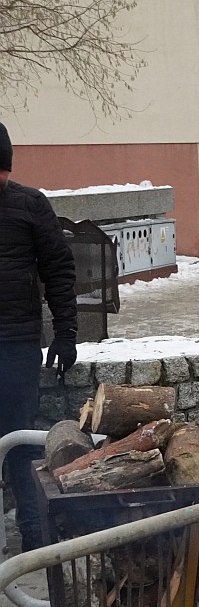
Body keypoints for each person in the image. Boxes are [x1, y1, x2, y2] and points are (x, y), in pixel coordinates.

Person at [0, 122, 77, 552]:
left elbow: (59, 271)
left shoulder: (30, 206)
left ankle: (33, 532)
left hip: (16, 344)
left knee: (19, 439)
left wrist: (65, 333)